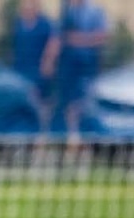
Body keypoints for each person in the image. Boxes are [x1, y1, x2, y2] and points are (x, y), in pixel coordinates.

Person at [48, 0, 109, 144]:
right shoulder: (66, 11)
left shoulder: (95, 12)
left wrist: (77, 39)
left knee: (84, 101)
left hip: (87, 65)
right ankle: (72, 136)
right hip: (67, 66)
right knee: (66, 102)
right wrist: (49, 60)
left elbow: (102, 36)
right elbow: (57, 37)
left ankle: (86, 138)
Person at [11, 0, 57, 132]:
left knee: (41, 104)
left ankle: (42, 133)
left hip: (38, 71)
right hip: (21, 70)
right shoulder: (19, 24)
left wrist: (48, 62)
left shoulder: (45, 25)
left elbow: (53, 43)